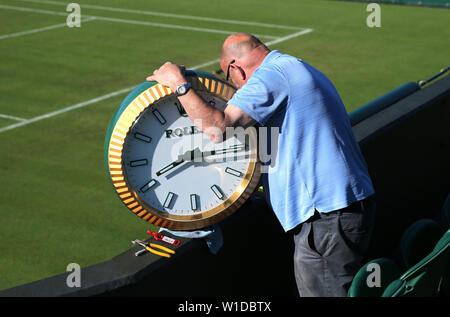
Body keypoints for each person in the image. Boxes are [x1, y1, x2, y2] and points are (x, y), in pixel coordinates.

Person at [147, 33, 376, 297]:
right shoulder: (293, 67)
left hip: (325, 217)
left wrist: (179, 84)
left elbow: (217, 129)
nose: (234, 89)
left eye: (229, 78)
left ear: (236, 68)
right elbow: (275, 146)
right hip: (340, 211)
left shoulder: (270, 76)